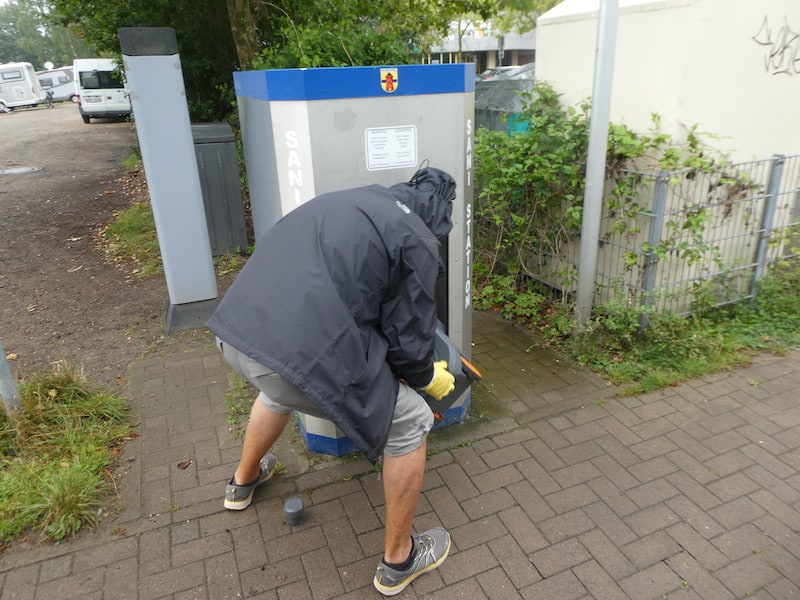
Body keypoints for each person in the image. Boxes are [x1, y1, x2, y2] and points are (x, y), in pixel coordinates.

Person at [206, 166, 458, 596]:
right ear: (440, 215)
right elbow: (410, 339)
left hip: (235, 333)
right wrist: (426, 377)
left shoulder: (351, 201)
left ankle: (242, 483)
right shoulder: (415, 236)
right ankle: (399, 560)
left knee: (277, 389)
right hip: (289, 359)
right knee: (412, 421)